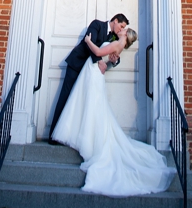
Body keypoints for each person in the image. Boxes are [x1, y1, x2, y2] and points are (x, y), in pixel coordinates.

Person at [52, 27, 177, 196]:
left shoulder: (117, 43)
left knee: (93, 108)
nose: (121, 29)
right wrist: (109, 61)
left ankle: (90, 143)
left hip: (94, 74)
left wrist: (88, 40)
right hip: (93, 72)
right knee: (93, 108)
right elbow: (105, 56)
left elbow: (97, 50)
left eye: (124, 29)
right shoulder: (117, 44)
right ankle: (87, 138)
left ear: (125, 35)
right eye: (122, 27)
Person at [49, 13, 128, 141]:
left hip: (90, 72)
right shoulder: (97, 24)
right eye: (121, 26)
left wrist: (114, 61)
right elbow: (88, 43)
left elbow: (114, 53)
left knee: (80, 103)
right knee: (65, 96)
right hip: (77, 65)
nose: (121, 29)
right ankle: (53, 136)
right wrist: (100, 60)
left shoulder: (114, 37)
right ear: (115, 20)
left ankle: (73, 137)